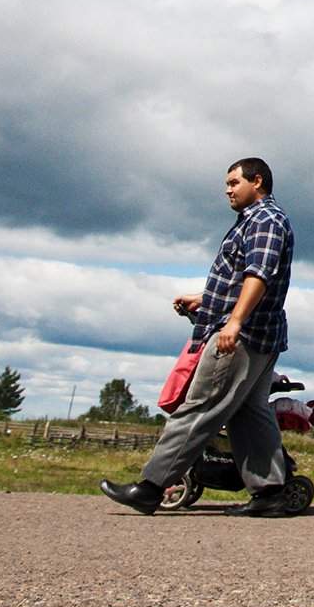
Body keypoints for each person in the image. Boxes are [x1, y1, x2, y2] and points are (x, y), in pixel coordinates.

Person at [100, 157, 296, 517]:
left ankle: (150, 488)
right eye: (226, 184)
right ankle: (270, 492)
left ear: (257, 181)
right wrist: (205, 299)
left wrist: (233, 323)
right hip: (259, 334)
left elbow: (259, 276)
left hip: (242, 335)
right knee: (249, 414)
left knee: (199, 407)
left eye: (234, 183)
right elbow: (241, 279)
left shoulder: (266, 220)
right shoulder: (254, 222)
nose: (227, 190)